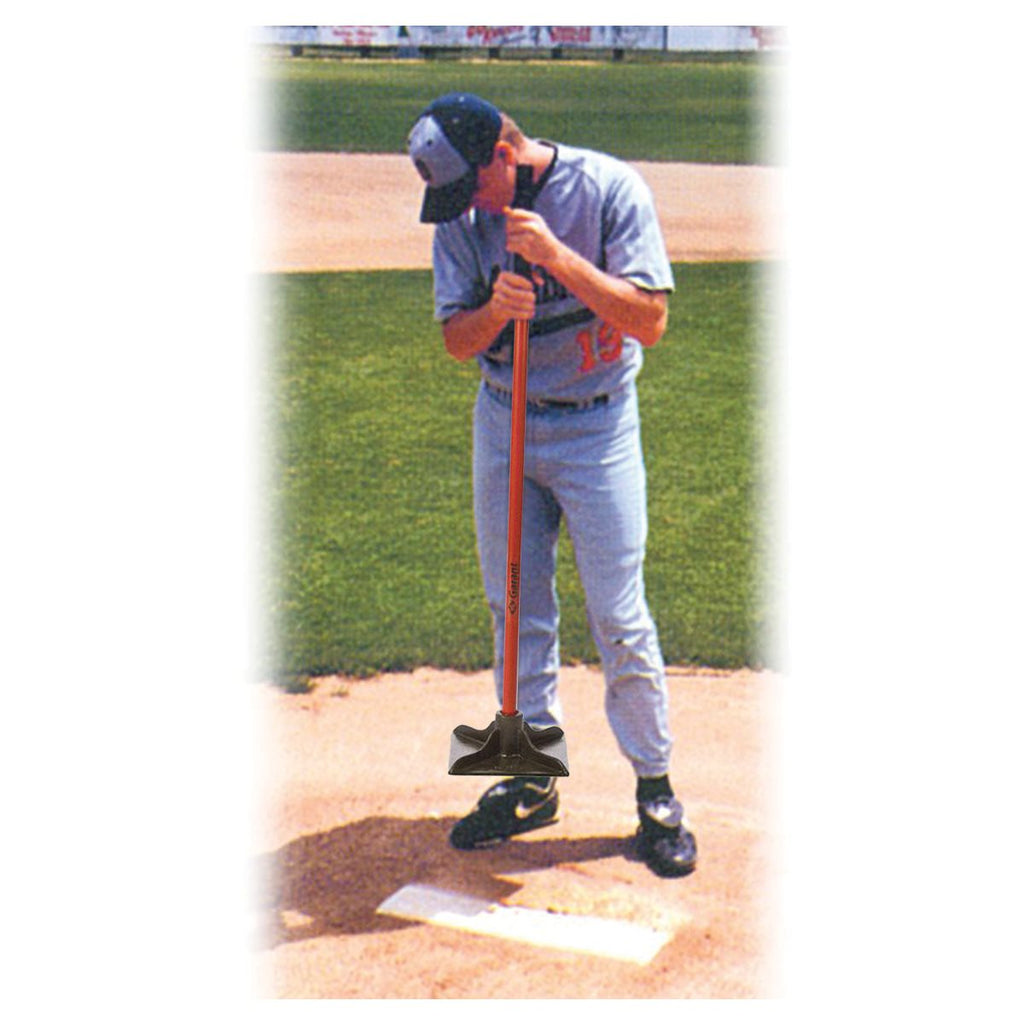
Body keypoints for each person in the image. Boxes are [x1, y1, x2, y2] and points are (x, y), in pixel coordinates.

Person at [407, 92, 696, 878]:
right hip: (505, 421)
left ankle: (656, 791)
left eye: (472, 187)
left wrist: (559, 259)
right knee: (514, 607)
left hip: (597, 429)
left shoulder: (608, 190)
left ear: (502, 155)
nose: (466, 210)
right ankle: (531, 780)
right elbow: (455, 341)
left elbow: (650, 320)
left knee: (619, 614)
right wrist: (495, 313)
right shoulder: (461, 219)